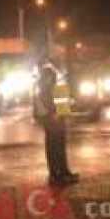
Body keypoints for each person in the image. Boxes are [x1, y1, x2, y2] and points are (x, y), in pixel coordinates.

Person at [34, 58, 78, 186]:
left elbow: (60, 93)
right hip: (52, 116)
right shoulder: (48, 73)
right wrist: (53, 112)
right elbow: (45, 94)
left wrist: (66, 106)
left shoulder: (56, 73)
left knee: (59, 144)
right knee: (54, 145)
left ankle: (64, 172)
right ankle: (55, 175)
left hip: (58, 114)